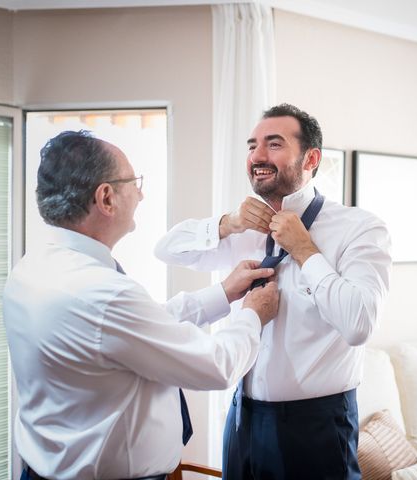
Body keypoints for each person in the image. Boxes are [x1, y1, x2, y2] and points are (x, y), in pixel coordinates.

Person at [3, 130, 279, 480]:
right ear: (106, 198)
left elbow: (135, 330)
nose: (142, 193)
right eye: (134, 182)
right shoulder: (101, 293)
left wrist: (223, 293)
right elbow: (216, 365)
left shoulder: (33, 268)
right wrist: (253, 314)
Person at [155, 104, 392, 479]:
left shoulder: (359, 229)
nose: (257, 156)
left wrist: (305, 251)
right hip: (243, 417)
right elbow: (166, 249)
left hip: (317, 425)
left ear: (311, 158)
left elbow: (359, 323)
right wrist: (227, 223)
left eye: (274, 144)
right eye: (252, 146)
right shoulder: (243, 229)